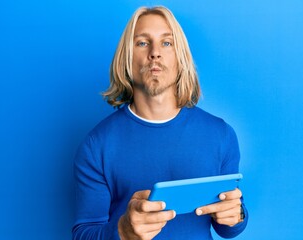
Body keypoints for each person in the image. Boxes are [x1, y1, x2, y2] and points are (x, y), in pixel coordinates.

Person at [72, 6, 248, 240]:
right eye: (143, 43)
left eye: (167, 43)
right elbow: (84, 232)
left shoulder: (221, 134)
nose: (155, 52)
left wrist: (237, 216)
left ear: (180, 58)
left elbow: (228, 226)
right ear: (127, 59)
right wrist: (122, 232)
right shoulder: (97, 145)